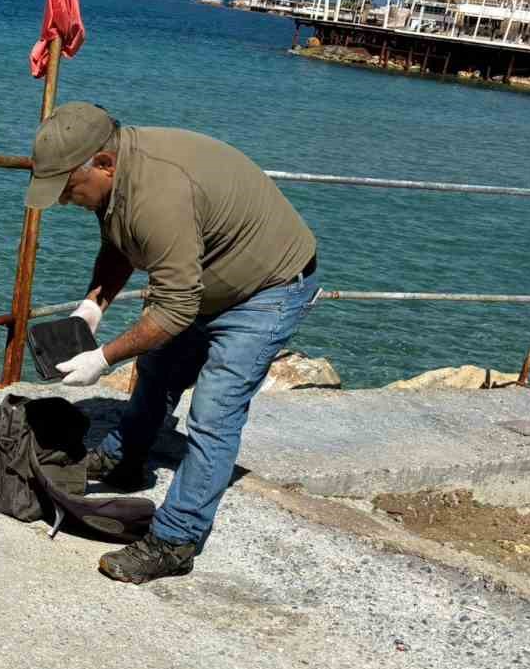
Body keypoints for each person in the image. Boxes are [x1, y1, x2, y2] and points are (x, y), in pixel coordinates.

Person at [24, 101, 319, 584]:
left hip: (269, 289)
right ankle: (125, 459)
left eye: (66, 188)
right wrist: (93, 306)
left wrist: (104, 357)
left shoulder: (158, 193)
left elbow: (176, 307)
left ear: (102, 163)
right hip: (205, 281)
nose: (61, 200)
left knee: (214, 414)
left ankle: (176, 539)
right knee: (159, 369)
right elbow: (122, 242)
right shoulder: (117, 179)